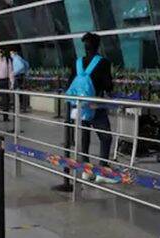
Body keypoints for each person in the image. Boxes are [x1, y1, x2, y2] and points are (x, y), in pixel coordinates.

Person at [67, 32, 116, 184]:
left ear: (85, 46)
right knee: (106, 137)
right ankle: (102, 172)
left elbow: (70, 83)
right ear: (98, 45)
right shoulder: (103, 62)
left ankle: (86, 171)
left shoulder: (77, 63)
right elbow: (108, 85)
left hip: (80, 107)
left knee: (85, 136)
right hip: (96, 106)